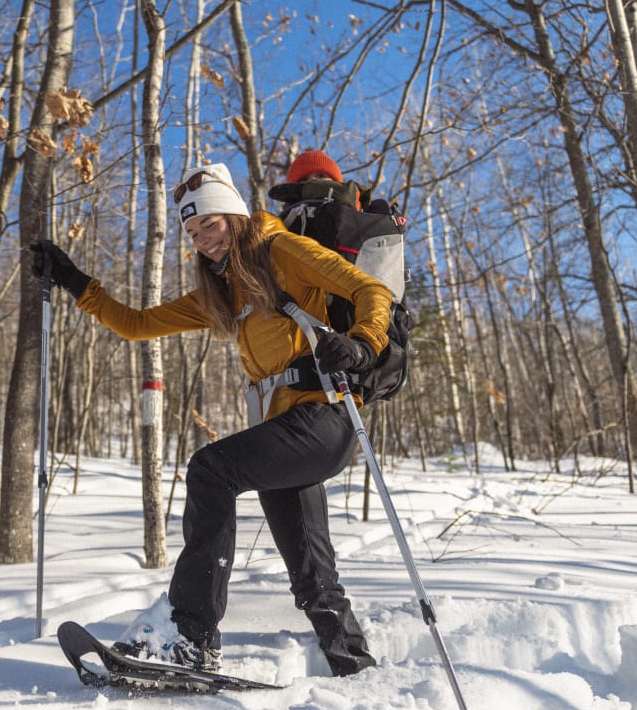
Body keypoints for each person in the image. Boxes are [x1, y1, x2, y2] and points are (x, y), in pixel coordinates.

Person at [31, 162, 393, 677]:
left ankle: (191, 634)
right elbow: (137, 325)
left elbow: (371, 291)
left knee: (211, 470)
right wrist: (72, 280)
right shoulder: (223, 291)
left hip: (324, 417)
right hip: (288, 430)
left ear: (236, 217)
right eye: (193, 232)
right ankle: (352, 661)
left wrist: (361, 345)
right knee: (310, 569)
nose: (203, 240)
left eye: (211, 224)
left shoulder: (281, 250)